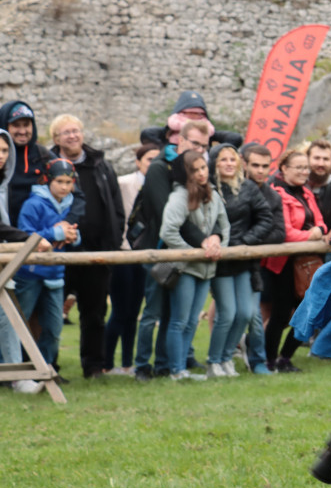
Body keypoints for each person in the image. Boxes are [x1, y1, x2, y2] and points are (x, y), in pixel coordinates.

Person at [134, 120, 215, 382]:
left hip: (183, 253)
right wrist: (204, 239)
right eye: (194, 143)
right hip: (158, 251)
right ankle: (142, 365)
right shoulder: (159, 167)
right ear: (179, 140)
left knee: (173, 314)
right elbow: (167, 216)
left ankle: (164, 364)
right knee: (152, 313)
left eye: (204, 146)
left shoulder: (195, 171)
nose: (200, 150)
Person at [49, 114, 125, 378]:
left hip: (96, 250)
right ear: (55, 139)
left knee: (94, 313)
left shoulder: (100, 165)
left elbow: (116, 205)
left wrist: (113, 241)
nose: (72, 136)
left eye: (76, 131)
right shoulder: (48, 166)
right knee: (51, 310)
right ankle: (49, 366)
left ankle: (93, 366)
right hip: (59, 251)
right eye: (65, 132)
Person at [0, 125, 53, 394]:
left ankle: (18, 377)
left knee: (5, 310)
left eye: (4, 150)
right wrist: (28, 239)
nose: (1, 156)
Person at [159, 150, 229, 381]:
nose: (201, 173)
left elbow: (224, 226)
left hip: (206, 267)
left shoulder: (213, 193)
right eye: (195, 170)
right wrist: (194, 253)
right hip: (185, 267)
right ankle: (176, 370)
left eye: (203, 168)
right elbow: (168, 231)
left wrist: (217, 244)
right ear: (186, 173)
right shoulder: (179, 197)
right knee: (179, 320)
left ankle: (182, 368)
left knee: (191, 321)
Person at [206, 144, 273, 377]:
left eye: (232, 159)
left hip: (243, 259)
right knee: (227, 313)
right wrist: (219, 241)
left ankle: (226, 358)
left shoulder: (248, 188)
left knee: (245, 313)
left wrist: (245, 241)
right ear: (214, 162)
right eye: (223, 159)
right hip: (219, 260)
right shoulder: (207, 189)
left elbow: (266, 218)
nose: (228, 163)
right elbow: (203, 221)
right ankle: (215, 361)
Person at [262, 149, 326, 373]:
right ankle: (269, 361)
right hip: (282, 264)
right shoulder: (275, 192)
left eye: (305, 167)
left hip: (306, 262)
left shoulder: (306, 192)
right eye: (298, 167)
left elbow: (320, 222)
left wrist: (318, 230)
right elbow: (284, 231)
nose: (303, 171)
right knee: (280, 315)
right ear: (284, 168)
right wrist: (311, 235)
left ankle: (285, 358)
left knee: (310, 313)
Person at [14, 159, 81, 367]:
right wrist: (56, 232)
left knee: (54, 329)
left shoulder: (70, 205)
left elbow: (68, 235)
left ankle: (45, 369)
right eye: (59, 181)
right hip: (29, 274)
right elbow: (24, 236)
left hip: (55, 275)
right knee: (17, 324)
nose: (64, 186)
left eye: (69, 182)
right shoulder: (33, 204)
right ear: (48, 180)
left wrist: (73, 236)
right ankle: (8, 369)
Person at [104, 143, 159, 375]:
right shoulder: (124, 183)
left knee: (134, 309)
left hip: (143, 254)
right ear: (138, 162)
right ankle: (106, 363)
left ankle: (127, 363)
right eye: (148, 159)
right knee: (120, 310)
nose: (152, 164)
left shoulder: (159, 187)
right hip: (123, 251)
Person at [241, 144, 285, 375]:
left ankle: (256, 358)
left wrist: (248, 238)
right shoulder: (233, 189)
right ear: (244, 165)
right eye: (255, 165)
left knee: (256, 315)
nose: (260, 170)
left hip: (260, 263)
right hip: (231, 260)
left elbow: (280, 233)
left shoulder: (272, 195)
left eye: (265, 166)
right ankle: (221, 358)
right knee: (229, 313)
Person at [0, 101, 59, 226]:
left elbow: (74, 192)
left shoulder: (44, 156)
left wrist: (66, 223)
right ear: (5, 126)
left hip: (40, 235)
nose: (23, 131)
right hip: (1, 234)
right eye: (16, 125)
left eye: (26, 125)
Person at [306, 139, 331, 229]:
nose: (321, 163)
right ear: (307, 158)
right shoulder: (295, 184)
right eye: (317, 158)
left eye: (326, 159)